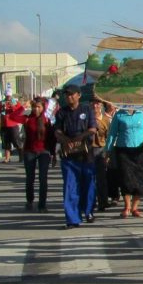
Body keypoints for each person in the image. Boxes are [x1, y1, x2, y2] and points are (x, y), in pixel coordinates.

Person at [54, 84, 98, 229]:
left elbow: (92, 129)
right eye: (67, 95)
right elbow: (57, 132)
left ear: (79, 95)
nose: (69, 97)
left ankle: (88, 211)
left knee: (88, 185)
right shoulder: (61, 112)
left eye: (72, 94)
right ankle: (72, 219)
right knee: (70, 187)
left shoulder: (87, 109)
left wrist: (78, 139)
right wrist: (67, 141)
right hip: (69, 156)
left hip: (86, 155)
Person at [105, 108, 143, 218]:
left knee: (140, 178)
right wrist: (107, 151)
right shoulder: (119, 114)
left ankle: (135, 208)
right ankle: (127, 207)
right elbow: (112, 134)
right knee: (125, 179)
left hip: (140, 151)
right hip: (123, 151)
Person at [20, 98, 52, 212]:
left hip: (44, 151)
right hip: (29, 151)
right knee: (30, 178)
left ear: (43, 108)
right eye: (34, 107)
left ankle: (42, 205)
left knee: (43, 178)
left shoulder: (47, 119)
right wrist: (23, 106)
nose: (36, 109)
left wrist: (52, 154)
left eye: (39, 107)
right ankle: (29, 200)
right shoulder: (27, 119)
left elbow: (51, 138)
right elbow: (13, 117)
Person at [90, 98, 113, 214]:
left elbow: (110, 136)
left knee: (102, 178)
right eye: (94, 103)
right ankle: (91, 202)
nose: (96, 106)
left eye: (98, 103)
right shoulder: (87, 118)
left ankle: (103, 202)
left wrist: (109, 152)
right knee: (90, 178)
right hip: (89, 150)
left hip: (102, 150)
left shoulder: (106, 119)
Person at [0, 95, 24, 163]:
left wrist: (13, 106)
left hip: (13, 125)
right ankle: (7, 158)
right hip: (3, 125)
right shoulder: (2, 102)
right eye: (7, 95)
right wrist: (1, 107)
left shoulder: (15, 102)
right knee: (6, 142)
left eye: (9, 95)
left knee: (16, 141)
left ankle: (21, 157)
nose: (8, 97)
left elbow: (20, 110)